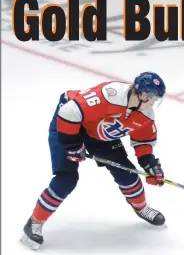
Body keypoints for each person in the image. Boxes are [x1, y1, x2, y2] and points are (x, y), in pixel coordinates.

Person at [21, 72, 167, 250]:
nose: (152, 102)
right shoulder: (109, 95)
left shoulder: (146, 114)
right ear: (139, 92)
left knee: (128, 174)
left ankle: (141, 208)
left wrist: (150, 165)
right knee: (67, 179)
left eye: (155, 99)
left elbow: (143, 142)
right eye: (149, 97)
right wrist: (72, 145)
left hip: (99, 132)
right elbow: (68, 112)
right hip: (69, 127)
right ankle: (34, 223)